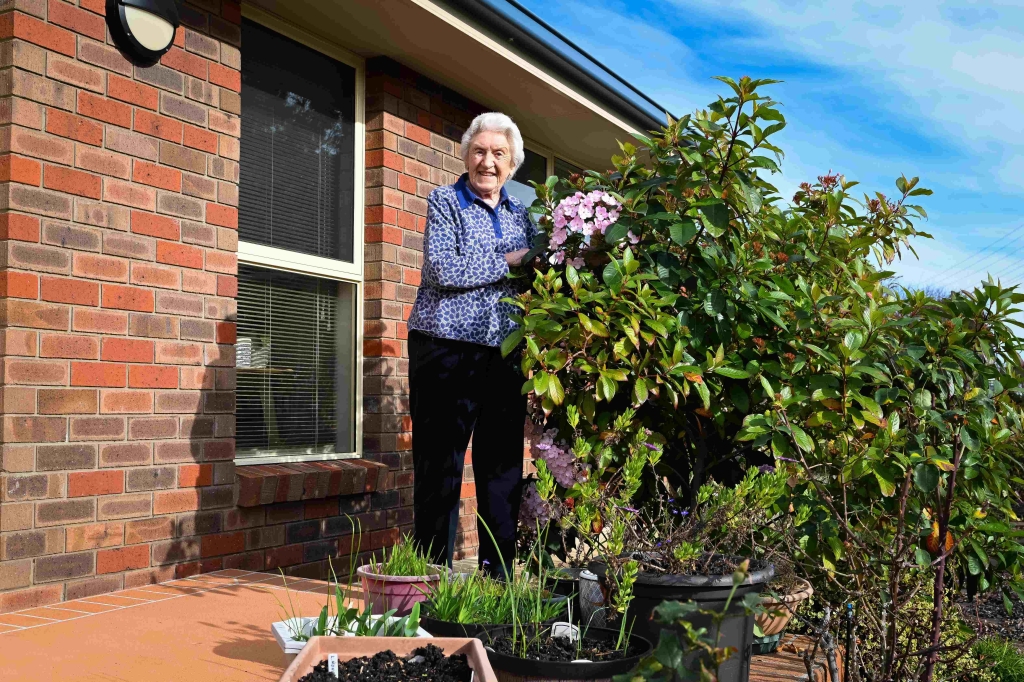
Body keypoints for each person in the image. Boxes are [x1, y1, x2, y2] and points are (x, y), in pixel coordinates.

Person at [407, 112, 535, 574]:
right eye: (479, 151)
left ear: (513, 164)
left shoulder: (523, 216)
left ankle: (497, 578)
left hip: (504, 356)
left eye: (499, 153)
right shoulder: (444, 201)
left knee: (501, 470)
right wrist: (511, 260)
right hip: (444, 349)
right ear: (466, 155)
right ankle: (429, 577)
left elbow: (541, 273)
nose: (488, 161)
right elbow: (443, 269)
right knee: (439, 467)